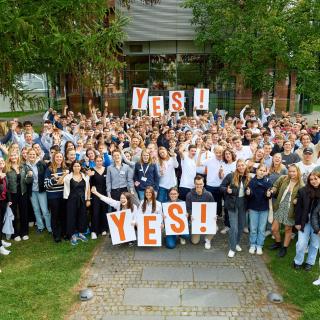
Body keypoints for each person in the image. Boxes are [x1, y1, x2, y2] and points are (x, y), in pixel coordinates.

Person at [269, 164, 304, 257]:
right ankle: (278, 242)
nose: (291, 173)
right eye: (290, 171)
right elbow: (276, 185)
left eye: (294, 171)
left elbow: (303, 197)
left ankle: (284, 248)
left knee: (288, 229)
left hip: (291, 209)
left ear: (298, 172)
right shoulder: (283, 178)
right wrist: (273, 189)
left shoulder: (301, 184)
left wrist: (297, 199)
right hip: (280, 206)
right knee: (274, 229)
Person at [221, 159, 251, 258]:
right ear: (236, 167)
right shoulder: (230, 176)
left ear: (245, 166)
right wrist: (227, 190)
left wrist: (249, 193)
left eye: (243, 165)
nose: (241, 167)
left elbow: (251, 191)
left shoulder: (248, 177)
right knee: (233, 227)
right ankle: (232, 248)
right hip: (232, 204)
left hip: (243, 204)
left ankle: (236, 243)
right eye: (239, 165)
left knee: (241, 226)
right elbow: (221, 187)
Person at [293, 171, 320, 271]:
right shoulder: (303, 191)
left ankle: (310, 262)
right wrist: (297, 222)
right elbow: (298, 208)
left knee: (314, 244)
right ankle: (297, 261)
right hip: (304, 220)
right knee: (301, 243)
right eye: (311, 179)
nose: (313, 181)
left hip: (317, 223)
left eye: (315, 179)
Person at [246, 164, 272, 255]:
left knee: (261, 228)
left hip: (264, 208)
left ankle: (260, 245)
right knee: (253, 228)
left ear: (266, 172)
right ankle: (253, 244)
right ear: (256, 171)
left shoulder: (268, 182)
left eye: (264, 171)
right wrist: (248, 193)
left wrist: (268, 195)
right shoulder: (251, 181)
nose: (262, 172)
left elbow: (269, 195)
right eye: (260, 170)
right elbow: (249, 195)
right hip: (253, 208)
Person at [25, 148, 52, 234]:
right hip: (32, 191)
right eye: (30, 154)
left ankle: (49, 226)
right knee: (36, 209)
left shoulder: (41, 163)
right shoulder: (26, 166)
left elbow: (47, 173)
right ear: (27, 156)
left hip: (41, 190)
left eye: (33, 154)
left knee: (44, 210)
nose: (32, 156)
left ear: (36, 155)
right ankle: (40, 226)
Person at [63, 161, 90, 245]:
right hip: (71, 200)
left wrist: (88, 199)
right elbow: (59, 182)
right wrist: (63, 175)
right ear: (72, 167)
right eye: (75, 166)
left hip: (82, 200)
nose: (76, 168)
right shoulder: (68, 177)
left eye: (78, 166)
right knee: (72, 217)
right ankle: (73, 235)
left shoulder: (85, 176)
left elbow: (88, 188)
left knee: (82, 216)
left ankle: (81, 233)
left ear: (80, 167)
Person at [44, 152, 69, 242]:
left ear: (63, 158)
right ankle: (56, 235)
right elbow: (46, 185)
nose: (59, 158)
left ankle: (64, 233)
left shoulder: (65, 169)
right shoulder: (49, 169)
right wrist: (53, 179)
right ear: (54, 158)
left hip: (63, 195)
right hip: (53, 196)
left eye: (60, 157)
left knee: (63, 215)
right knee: (55, 216)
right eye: (57, 157)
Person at [186, 175, 215, 250]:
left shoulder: (208, 194)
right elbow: (188, 208)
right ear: (194, 184)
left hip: (206, 218)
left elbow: (212, 207)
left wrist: (214, 216)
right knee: (195, 242)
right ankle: (193, 229)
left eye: (200, 184)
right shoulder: (189, 195)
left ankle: (208, 239)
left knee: (216, 227)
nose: (199, 186)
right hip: (195, 220)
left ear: (203, 184)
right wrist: (191, 215)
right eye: (197, 184)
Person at [6, 151, 30, 241]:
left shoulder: (23, 166)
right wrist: (8, 198)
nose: (13, 156)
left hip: (23, 192)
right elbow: (6, 184)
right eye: (12, 155)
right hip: (12, 194)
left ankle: (24, 232)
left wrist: (30, 175)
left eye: (15, 155)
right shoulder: (6, 168)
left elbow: (29, 178)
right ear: (9, 157)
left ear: (18, 156)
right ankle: (15, 233)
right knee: (14, 214)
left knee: (24, 212)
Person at [88, 155, 108, 239]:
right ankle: (94, 231)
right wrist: (89, 176)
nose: (99, 162)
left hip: (104, 193)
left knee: (104, 211)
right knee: (95, 212)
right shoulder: (91, 171)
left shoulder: (106, 170)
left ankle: (103, 228)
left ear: (102, 161)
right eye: (97, 161)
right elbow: (88, 183)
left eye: (100, 160)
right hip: (95, 194)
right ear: (95, 162)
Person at [0, 157, 12, 255]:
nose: (1, 163)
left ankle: (0, 241)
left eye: (2, 161)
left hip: (3, 201)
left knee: (1, 222)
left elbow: (6, 188)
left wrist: (9, 200)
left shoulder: (4, 174)